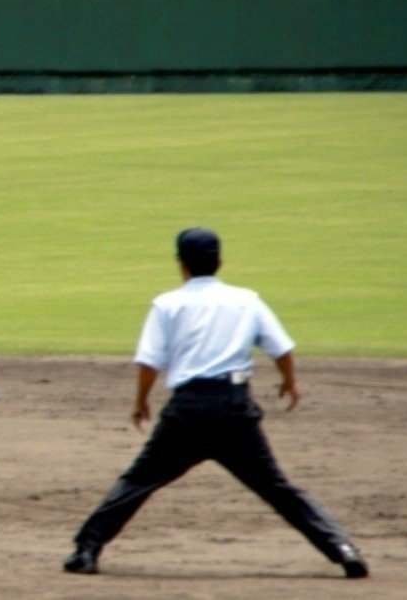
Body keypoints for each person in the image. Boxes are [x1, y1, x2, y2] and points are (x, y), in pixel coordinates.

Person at [63, 228, 367, 578]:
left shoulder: (167, 304)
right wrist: (289, 382)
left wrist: (141, 402)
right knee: (278, 489)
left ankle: (86, 551)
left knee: (138, 481)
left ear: (182, 265)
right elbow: (281, 348)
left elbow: (150, 362)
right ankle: (343, 550)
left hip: (187, 412)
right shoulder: (247, 300)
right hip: (234, 409)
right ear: (219, 262)